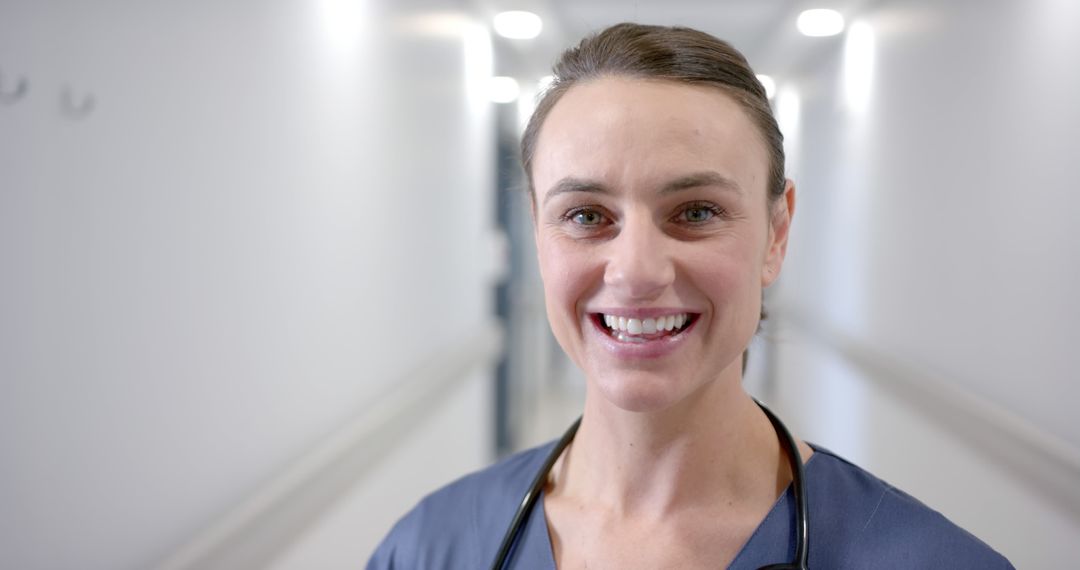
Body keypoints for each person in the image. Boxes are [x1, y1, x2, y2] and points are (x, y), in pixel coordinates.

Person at [367, 23, 1013, 569]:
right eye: (587, 216)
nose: (637, 271)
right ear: (537, 229)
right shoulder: (429, 546)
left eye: (697, 211)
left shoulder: (930, 558)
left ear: (776, 235)